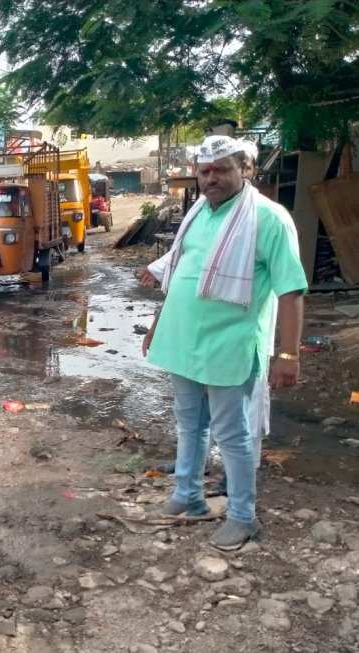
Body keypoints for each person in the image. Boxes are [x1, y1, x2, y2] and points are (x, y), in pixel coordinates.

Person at [141, 135, 307, 551]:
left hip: (230, 345)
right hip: (183, 341)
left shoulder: (268, 218)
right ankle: (189, 495)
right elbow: (179, 274)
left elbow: (291, 291)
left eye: (221, 169)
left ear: (246, 170)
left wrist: (288, 354)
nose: (210, 177)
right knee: (189, 424)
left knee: (233, 435)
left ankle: (242, 516)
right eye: (204, 170)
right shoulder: (197, 213)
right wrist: (157, 325)